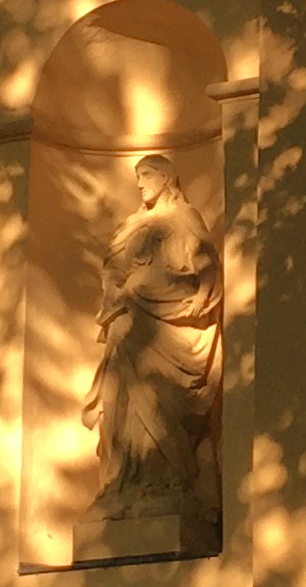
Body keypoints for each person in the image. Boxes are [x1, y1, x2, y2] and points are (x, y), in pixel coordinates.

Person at [78, 157, 222, 557]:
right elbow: (111, 267)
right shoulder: (131, 226)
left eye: (147, 175)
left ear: (166, 178)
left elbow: (205, 259)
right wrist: (113, 285)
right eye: (138, 176)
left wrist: (204, 289)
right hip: (129, 318)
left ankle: (170, 481)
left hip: (168, 322)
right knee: (120, 388)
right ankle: (125, 480)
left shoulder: (183, 217)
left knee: (158, 393)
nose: (140, 183)